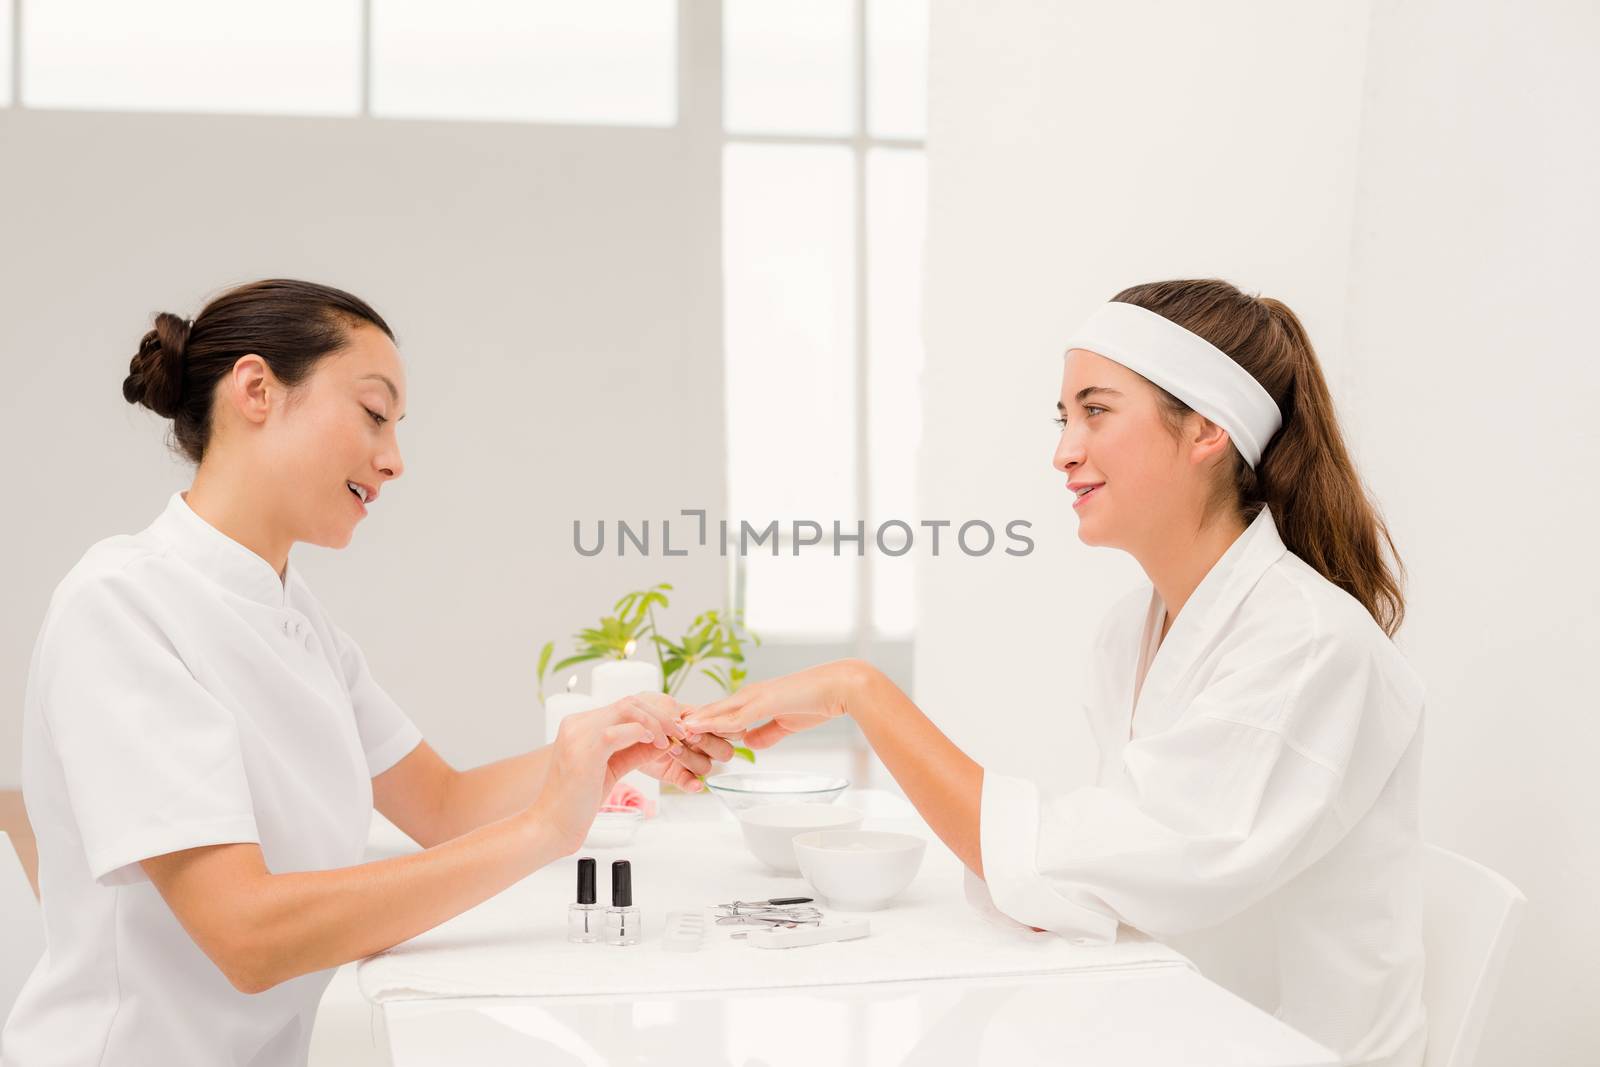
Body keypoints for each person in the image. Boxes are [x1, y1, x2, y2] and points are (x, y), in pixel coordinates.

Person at [682, 279, 1428, 1067]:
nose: (1064, 450)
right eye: (1064, 417)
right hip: (1173, 1018)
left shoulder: (1307, 643)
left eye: (1096, 410)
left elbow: (1092, 866)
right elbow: (1100, 873)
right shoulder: (1130, 634)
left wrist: (858, 691)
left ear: (1208, 427)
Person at [1, 279, 730, 1066]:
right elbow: (248, 933)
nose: (394, 460)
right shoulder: (120, 605)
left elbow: (444, 805)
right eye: (374, 414)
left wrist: (598, 749)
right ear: (256, 390)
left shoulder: (293, 613)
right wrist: (544, 830)